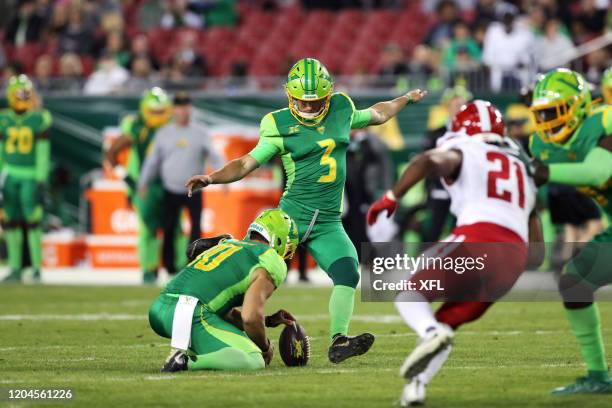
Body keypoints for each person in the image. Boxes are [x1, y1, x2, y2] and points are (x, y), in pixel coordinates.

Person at [186, 58, 427, 363]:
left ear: (328, 95)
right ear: (290, 95)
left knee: (347, 273)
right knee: (247, 277)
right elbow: (247, 163)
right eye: (303, 102)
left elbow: (379, 113)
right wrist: (211, 177)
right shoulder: (278, 124)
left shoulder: (341, 108)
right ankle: (224, 246)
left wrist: (405, 98)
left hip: (327, 221)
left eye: (316, 102)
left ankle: (339, 340)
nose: (310, 108)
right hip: (288, 220)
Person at [367, 100, 542, 406]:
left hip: (478, 238)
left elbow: (426, 161)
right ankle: (415, 389)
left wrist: (392, 195)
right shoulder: (521, 165)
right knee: (446, 326)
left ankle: (430, 330)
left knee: (409, 292)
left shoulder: (467, 148)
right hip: (514, 259)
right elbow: (537, 250)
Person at [529, 68, 612, 395]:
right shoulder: (542, 145)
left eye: (555, 112)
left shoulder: (603, 121)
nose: (547, 121)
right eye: (542, 114)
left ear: (577, 106)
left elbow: (599, 170)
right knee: (575, 282)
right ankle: (598, 376)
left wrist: (545, 172)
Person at [149, 208, 298, 372]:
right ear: (279, 240)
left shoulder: (228, 244)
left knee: (217, 328)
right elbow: (250, 317)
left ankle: (193, 351)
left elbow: (223, 312)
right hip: (191, 313)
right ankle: (184, 362)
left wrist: (268, 321)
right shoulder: (271, 260)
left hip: (159, 310)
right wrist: (264, 347)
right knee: (253, 359)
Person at [139, 91, 223, 276]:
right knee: (168, 228)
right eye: (179, 107)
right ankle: (168, 267)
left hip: (195, 189)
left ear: (190, 109)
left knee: (195, 229)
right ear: (174, 110)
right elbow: (153, 161)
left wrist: (224, 177)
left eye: (186, 107)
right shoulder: (164, 133)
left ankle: (193, 266)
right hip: (171, 189)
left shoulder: (200, 132)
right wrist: (143, 183)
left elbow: (215, 156)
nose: (183, 111)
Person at [106, 87, 172, 284]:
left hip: (170, 183)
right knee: (148, 228)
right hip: (146, 184)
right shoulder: (136, 126)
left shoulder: (175, 125)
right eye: (154, 112)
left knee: (174, 228)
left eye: (161, 112)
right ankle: (148, 269)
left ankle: (175, 269)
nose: (158, 116)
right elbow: (112, 152)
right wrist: (125, 178)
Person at [0, 75, 52, 282]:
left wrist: (41, 179)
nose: (23, 97)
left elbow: (42, 152)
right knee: (10, 222)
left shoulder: (39, 118)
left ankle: (36, 267)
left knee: (33, 221)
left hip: (29, 175)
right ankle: (15, 267)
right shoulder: (4, 118)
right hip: (10, 175)